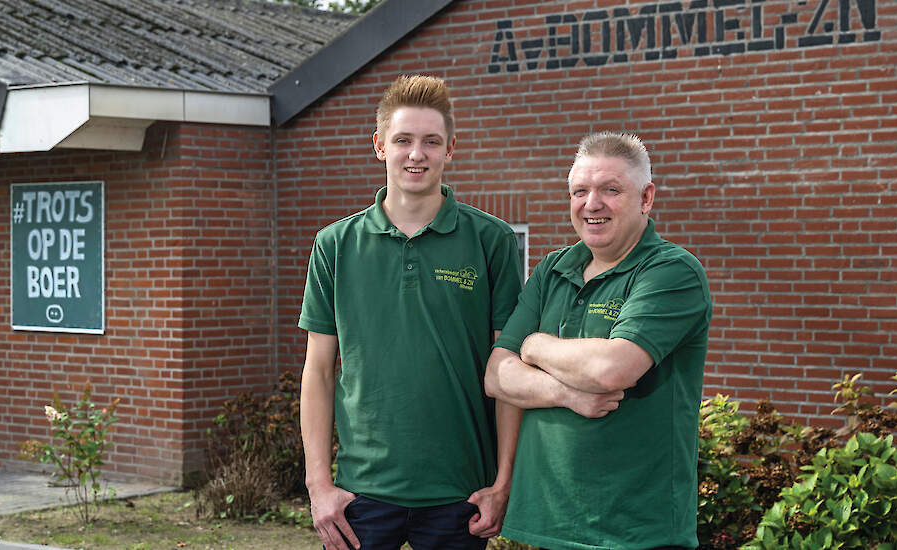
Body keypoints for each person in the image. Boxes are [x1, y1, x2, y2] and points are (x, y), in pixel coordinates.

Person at [298, 74, 523, 550]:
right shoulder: (334, 245)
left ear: (450, 148)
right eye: (403, 140)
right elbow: (317, 371)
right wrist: (319, 486)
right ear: (379, 145)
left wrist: (503, 481)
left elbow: (508, 371)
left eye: (430, 141)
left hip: (459, 492)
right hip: (361, 493)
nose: (416, 154)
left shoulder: (492, 241)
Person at [485, 132, 712, 550]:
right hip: (546, 522)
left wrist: (534, 347)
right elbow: (497, 376)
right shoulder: (553, 268)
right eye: (580, 191)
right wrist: (566, 393)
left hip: (635, 532)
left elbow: (613, 369)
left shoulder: (671, 272)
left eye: (611, 190)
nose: (592, 204)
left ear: (646, 198)